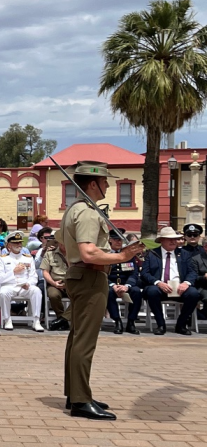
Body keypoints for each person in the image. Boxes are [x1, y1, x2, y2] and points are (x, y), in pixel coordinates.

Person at [57, 161, 143, 420]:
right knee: (85, 341)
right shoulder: (88, 213)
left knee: (77, 338)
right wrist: (122, 255)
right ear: (92, 184)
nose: (108, 185)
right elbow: (88, 251)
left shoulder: (75, 210)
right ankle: (81, 401)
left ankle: (76, 394)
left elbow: (64, 245)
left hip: (80, 274)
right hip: (90, 276)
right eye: (105, 181)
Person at [140, 226, 199, 335]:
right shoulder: (152, 254)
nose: (173, 241)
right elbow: (144, 273)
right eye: (169, 239)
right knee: (151, 292)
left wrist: (186, 283)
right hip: (159, 287)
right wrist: (158, 283)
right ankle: (161, 324)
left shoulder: (184, 254)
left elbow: (192, 272)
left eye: (175, 239)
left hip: (180, 287)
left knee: (194, 294)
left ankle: (181, 325)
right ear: (162, 240)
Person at [0, 233, 44, 332]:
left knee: (36, 291)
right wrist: (13, 272)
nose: (19, 245)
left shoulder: (28, 258)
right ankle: (7, 319)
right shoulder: (3, 259)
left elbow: (33, 276)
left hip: (24, 286)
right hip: (9, 286)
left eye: (20, 243)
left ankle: (36, 320)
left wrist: (29, 283)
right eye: (15, 243)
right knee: (3, 293)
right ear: (9, 246)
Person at [106, 230, 142, 335]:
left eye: (120, 240)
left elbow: (134, 273)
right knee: (108, 293)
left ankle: (131, 322)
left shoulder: (128, 255)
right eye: (116, 240)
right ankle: (117, 321)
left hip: (126, 284)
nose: (119, 242)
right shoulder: (105, 255)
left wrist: (127, 286)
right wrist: (112, 285)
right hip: (110, 284)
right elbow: (101, 274)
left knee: (136, 292)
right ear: (110, 240)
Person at [40, 237, 71, 331]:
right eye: (61, 243)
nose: (63, 245)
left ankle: (62, 320)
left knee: (80, 297)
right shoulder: (50, 254)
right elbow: (45, 272)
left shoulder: (75, 254)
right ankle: (61, 318)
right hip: (55, 283)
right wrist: (54, 283)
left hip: (71, 283)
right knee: (53, 295)